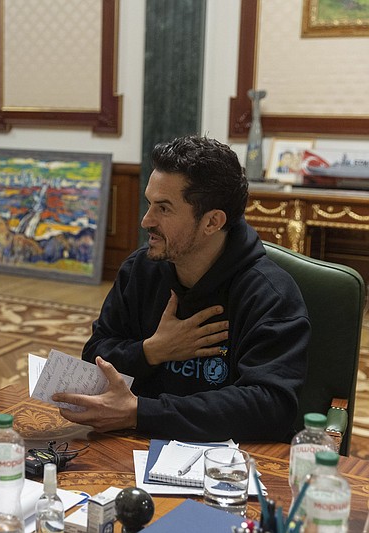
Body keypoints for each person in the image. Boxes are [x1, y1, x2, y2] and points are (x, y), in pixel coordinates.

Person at [53, 135, 309, 442]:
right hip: (132, 446)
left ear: (212, 222)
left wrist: (141, 412)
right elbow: (96, 353)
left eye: (163, 209)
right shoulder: (141, 271)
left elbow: (270, 406)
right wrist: (151, 351)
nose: (146, 221)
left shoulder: (270, 295)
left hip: (232, 463)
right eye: (149, 204)